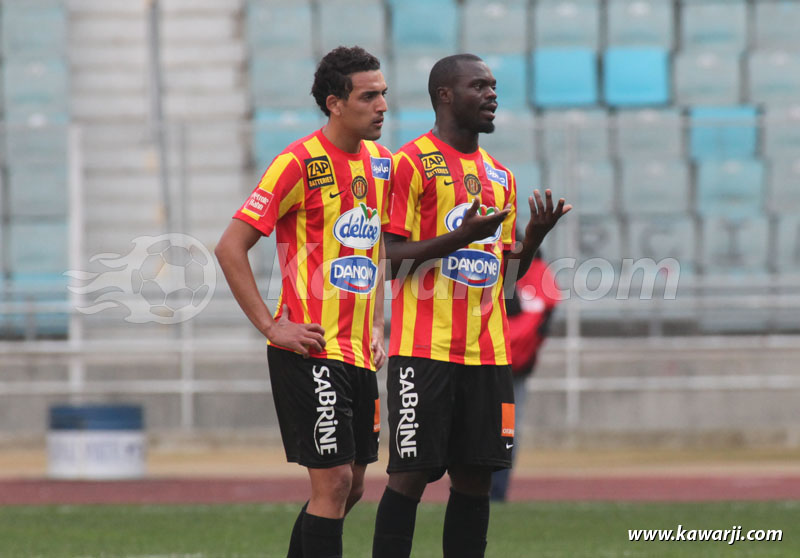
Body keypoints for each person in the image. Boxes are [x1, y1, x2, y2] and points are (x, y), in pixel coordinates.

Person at [372, 54, 571, 558]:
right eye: (478, 85)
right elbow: (387, 257)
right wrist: (458, 236)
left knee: (476, 478)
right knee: (411, 475)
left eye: (494, 86)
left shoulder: (500, 176)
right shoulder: (410, 163)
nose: (491, 94)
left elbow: (503, 280)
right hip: (425, 350)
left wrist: (530, 239)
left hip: (489, 356)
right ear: (445, 94)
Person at [215, 46, 391, 558]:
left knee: (352, 486)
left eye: (383, 94)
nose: (382, 105)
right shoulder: (298, 163)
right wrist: (272, 327)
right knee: (333, 482)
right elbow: (230, 246)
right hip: (311, 349)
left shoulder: (382, 165)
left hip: (360, 352)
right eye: (369, 96)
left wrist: (376, 323)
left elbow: (374, 251)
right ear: (335, 103)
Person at [490, 247, 561, 501]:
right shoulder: (535, 272)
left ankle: (493, 490)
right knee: (504, 430)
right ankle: (492, 490)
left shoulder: (527, 272)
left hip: (506, 364)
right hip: (501, 363)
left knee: (503, 430)